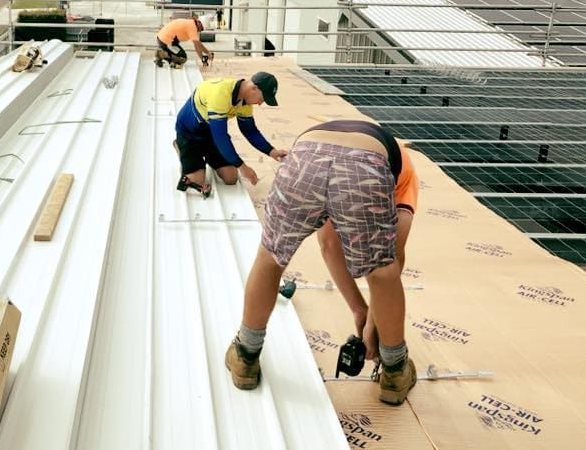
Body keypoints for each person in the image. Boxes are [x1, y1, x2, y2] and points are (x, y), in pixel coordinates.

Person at [225, 120, 417, 405]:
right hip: (364, 168)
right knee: (383, 271)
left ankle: (245, 355)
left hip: (302, 159)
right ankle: (394, 371)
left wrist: (361, 311)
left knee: (270, 258)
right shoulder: (404, 170)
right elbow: (393, 258)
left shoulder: (343, 136)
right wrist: (369, 321)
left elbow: (328, 244)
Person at [318, 142, 418, 362]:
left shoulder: (398, 178)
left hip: (390, 166)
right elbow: (329, 244)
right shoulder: (324, 177)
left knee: (384, 259)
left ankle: (392, 360)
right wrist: (360, 311)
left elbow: (392, 256)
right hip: (341, 161)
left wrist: (373, 323)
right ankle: (393, 361)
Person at [174, 73, 287, 195]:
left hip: (210, 134)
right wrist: (243, 167)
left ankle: (207, 157)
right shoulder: (220, 93)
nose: (260, 103)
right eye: (262, 98)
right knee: (197, 181)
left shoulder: (245, 102)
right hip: (190, 135)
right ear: (254, 88)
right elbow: (221, 137)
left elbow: (250, 131)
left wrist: (272, 151)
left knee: (231, 178)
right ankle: (181, 147)